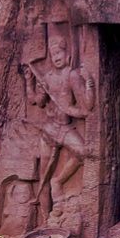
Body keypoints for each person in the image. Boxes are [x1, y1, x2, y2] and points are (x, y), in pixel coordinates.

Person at [23, 36, 95, 218]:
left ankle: (59, 181)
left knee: (83, 152)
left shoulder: (72, 75)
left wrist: (89, 84)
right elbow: (37, 101)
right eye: (53, 54)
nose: (56, 57)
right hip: (49, 129)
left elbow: (87, 107)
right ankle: (46, 217)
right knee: (43, 176)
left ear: (67, 53)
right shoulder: (47, 77)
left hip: (65, 128)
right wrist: (30, 82)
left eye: (59, 52)